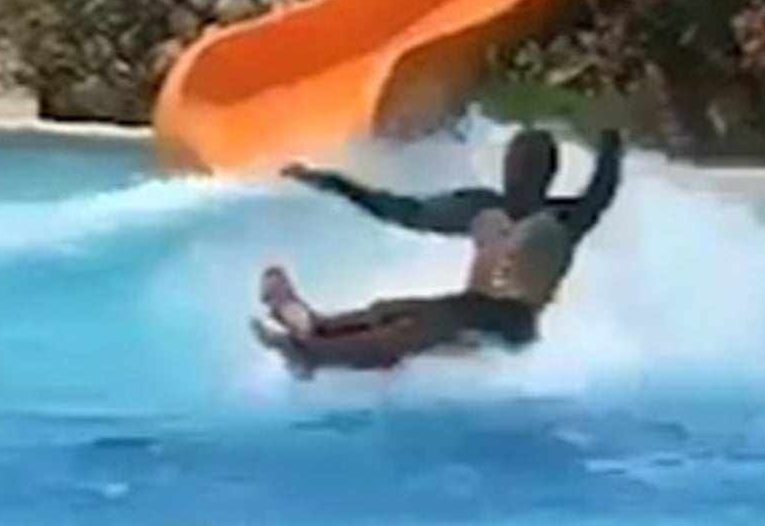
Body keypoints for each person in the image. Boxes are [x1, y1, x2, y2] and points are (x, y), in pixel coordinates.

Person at [254, 127, 625, 373]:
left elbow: (602, 189)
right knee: (397, 310)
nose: (520, 173)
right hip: (468, 308)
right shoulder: (481, 208)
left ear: (549, 173)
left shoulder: (565, 218)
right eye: (515, 164)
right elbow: (402, 210)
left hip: (511, 325)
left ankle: (312, 354)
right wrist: (334, 183)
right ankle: (317, 325)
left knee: (420, 325)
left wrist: (611, 146)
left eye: (531, 166)